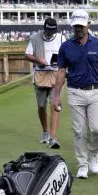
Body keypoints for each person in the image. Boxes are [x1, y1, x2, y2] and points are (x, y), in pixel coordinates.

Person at [52, 10, 98, 179]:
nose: (78, 29)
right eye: (76, 26)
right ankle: (82, 164)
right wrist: (56, 95)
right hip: (75, 93)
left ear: (88, 25)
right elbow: (60, 71)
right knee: (79, 131)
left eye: (81, 25)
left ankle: (93, 154)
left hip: (95, 92)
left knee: (96, 129)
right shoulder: (66, 47)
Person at [25, 17, 65, 149]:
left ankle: (53, 137)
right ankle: (45, 132)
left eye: (52, 31)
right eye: (48, 31)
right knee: (41, 106)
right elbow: (27, 55)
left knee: (55, 105)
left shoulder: (60, 38)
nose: (50, 34)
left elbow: (66, 54)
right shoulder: (35, 38)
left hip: (56, 75)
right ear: (44, 28)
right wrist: (38, 60)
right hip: (40, 75)